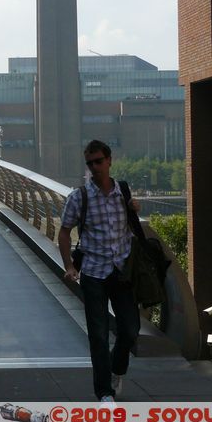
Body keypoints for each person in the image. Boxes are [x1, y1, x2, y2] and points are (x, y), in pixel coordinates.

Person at [58, 139, 141, 404]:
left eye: (98, 161)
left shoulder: (124, 193)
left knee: (130, 330)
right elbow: (64, 232)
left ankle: (117, 369)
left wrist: (135, 209)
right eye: (90, 163)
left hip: (121, 271)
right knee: (98, 334)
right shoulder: (79, 197)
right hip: (93, 273)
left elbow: (131, 228)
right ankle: (104, 391)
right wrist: (69, 266)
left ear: (109, 160)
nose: (94, 167)